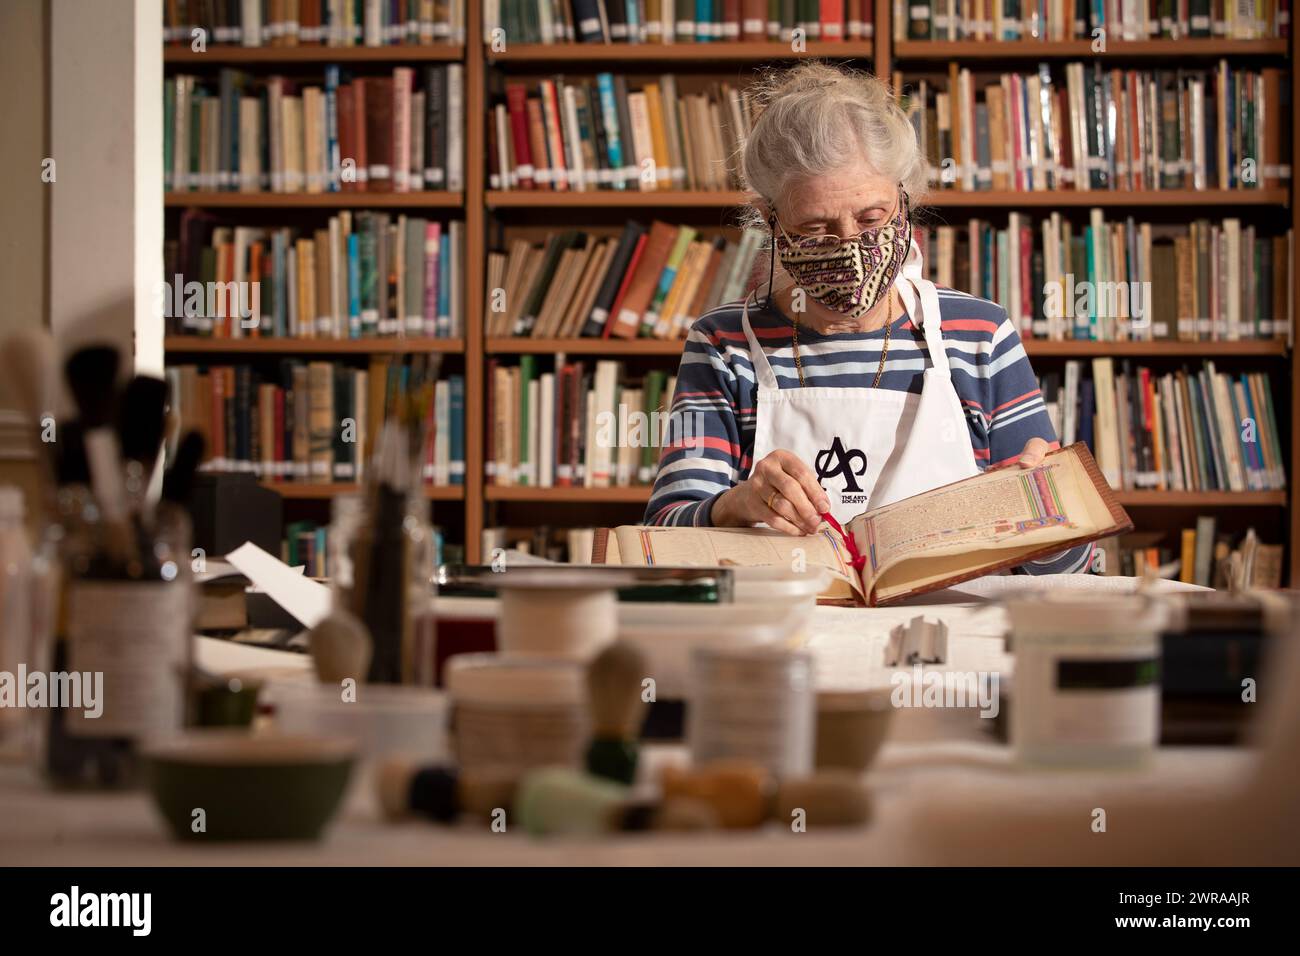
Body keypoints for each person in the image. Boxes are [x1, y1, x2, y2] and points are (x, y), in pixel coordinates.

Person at [643, 61, 1092, 575]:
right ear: (771, 222)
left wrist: (1047, 516)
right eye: (815, 227)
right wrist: (733, 506)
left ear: (904, 202)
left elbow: (1070, 569)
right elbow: (664, 541)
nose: (850, 248)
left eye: (871, 218)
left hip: (950, 643)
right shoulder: (724, 344)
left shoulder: (979, 335)